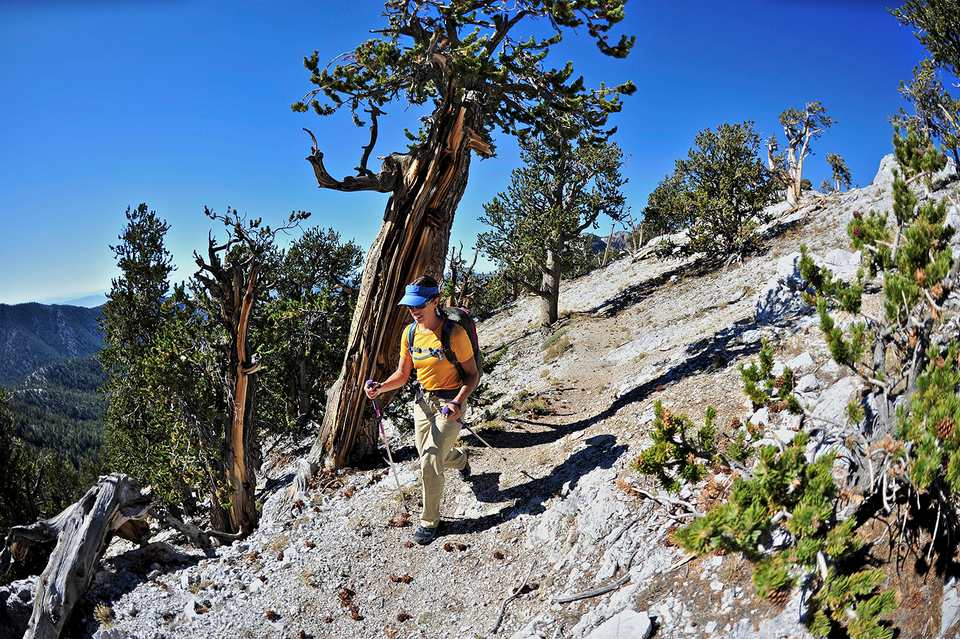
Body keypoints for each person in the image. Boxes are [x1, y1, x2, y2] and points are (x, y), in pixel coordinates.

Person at [364, 275, 480, 545]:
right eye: (410, 306)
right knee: (427, 453)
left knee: (429, 460)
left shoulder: (455, 333)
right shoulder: (410, 333)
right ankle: (460, 459)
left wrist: (457, 402)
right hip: (423, 402)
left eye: (419, 305)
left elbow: (473, 375)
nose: (414, 310)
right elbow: (403, 374)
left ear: (435, 301)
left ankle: (430, 522)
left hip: (450, 403)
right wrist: (380, 388)